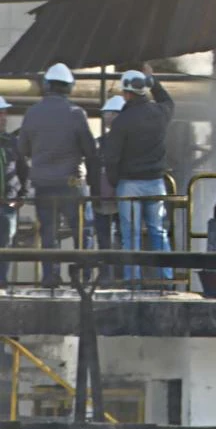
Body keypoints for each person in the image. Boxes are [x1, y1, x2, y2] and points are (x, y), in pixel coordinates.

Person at [18, 63, 99, 288]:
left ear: (47, 86)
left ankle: (50, 277)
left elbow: (22, 151)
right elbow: (90, 153)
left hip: (43, 184)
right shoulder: (76, 114)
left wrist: (25, 184)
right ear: (69, 88)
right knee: (83, 230)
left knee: (48, 233)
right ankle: (82, 277)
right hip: (71, 183)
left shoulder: (32, 113)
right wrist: (95, 187)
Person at [102, 65, 174, 285]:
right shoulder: (160, 113)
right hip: (156, 182)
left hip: (130, 184)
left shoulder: (122, 121)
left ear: (125, 93)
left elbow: (111, 157)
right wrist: (155, 80)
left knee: (130, 236)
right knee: (158, 232)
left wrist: (115, 181)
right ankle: (167, 280)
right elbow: (168, 101)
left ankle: (133, 281)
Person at [94, 96, 125, 280]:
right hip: (115, 196)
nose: (105, 117)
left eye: (108, 113)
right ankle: (116, 277)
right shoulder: (104, 141)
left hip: (109, 196)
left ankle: (110, 277)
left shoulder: (105, 142)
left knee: (108, 239)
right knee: (117, 239)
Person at [0, 96, 29, 289]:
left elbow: (23, 169)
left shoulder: (12, 142)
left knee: (6, 245)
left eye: (4, 113)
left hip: (7, 203)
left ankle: (2, 282)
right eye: (0, 113)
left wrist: (22, 194)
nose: (3, 117)